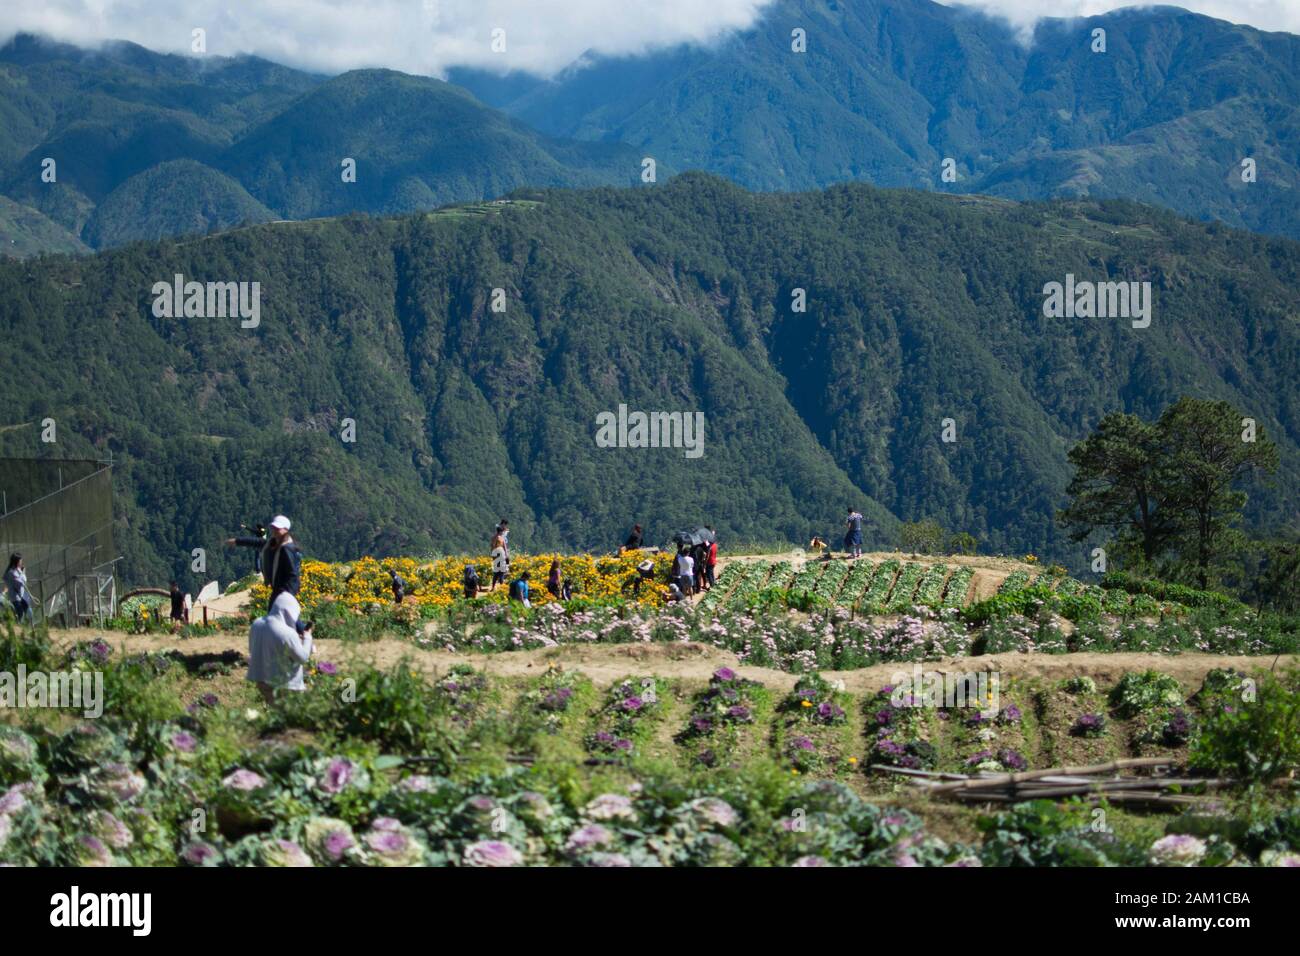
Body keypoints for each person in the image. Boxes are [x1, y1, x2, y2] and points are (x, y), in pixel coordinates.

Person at [246, 591, 314, 704]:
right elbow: (302, 658)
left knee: (273, 711)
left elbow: (252, 649)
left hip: (262, 680)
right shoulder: (288, 633)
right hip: (285, 684)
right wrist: (307, 638)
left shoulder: (256, 624)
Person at [228, 515, 302, 605]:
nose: (274, 530)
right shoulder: (275, 543)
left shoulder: (286, 549)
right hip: (278, 589)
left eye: (277, 528)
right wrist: (237, 541)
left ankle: (258, 570)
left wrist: (288, 594)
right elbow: (258, 542)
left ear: (286, 529)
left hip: (284, 592)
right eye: (273, 527)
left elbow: (293, 575)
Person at [4, 554, 34, 624]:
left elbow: (23, 581)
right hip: (15, 597)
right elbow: (22, 582)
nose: (21, 562)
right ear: (16, 561)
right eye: (20, 561)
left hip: (22, 596)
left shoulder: (18, 570)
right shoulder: (11, 572)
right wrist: (23, 573)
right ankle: (18, 627)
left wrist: (22, 572)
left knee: (29, 612)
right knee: (20, 613)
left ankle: (31, 628)